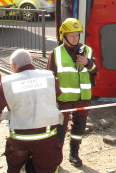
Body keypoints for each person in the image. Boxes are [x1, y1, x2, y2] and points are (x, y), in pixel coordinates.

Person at [0, 49, 63, 173]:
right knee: (47, 169)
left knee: (15, 169)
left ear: (13, 65)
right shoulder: (49, 77)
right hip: (46, 138)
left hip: (19, 140)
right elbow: (58, 95)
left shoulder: (6, 84)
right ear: (31, 61)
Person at [47, 18, 97, 168]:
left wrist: (88, 63)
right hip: (64, 100)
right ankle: (56, 159)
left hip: (83, 98)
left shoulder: (87, 50)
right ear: (64, 36)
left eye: (77, 35)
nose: (75, 38)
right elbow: (49, 78)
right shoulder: (56, 53)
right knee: (59, 131)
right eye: (72, 36)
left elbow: (95, 70)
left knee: (79, 128)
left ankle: (74, 154)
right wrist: (52, 100)